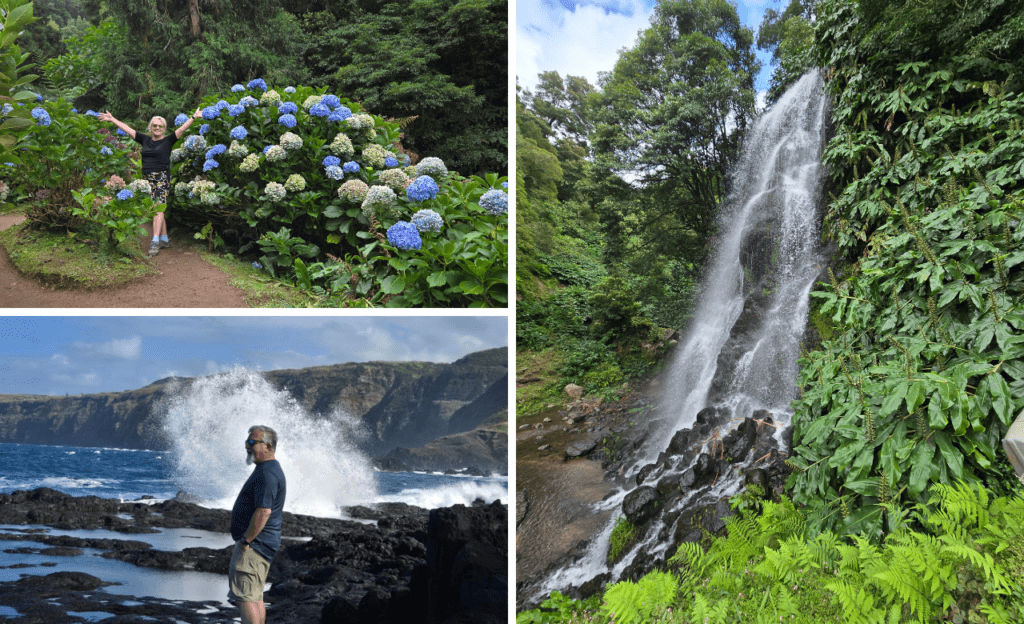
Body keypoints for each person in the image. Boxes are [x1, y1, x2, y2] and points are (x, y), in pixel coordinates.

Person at [97, 107, 201, 256]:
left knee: (157, 209)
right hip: (147, 179)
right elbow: (128, 129)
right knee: (158, 209)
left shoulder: (168, 140)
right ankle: (164, 239)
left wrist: (194, 117)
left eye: (160, 126)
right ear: (150, 127)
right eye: (154, 126)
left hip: (162, 178)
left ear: (164, 128)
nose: (157, 128)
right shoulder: (144, 139)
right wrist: (112, 119)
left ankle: (155, 241)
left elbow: (182, 128)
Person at [229, 425, 287, 624]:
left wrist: (246, 540)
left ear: (268, 446)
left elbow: (264, 511)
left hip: (255, 546)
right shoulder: (268, 469)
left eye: (253, 442)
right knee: (255, 597)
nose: (247, 445)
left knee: (246, 598)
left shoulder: (267, 473)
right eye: (247, 441)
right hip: (262, 545)